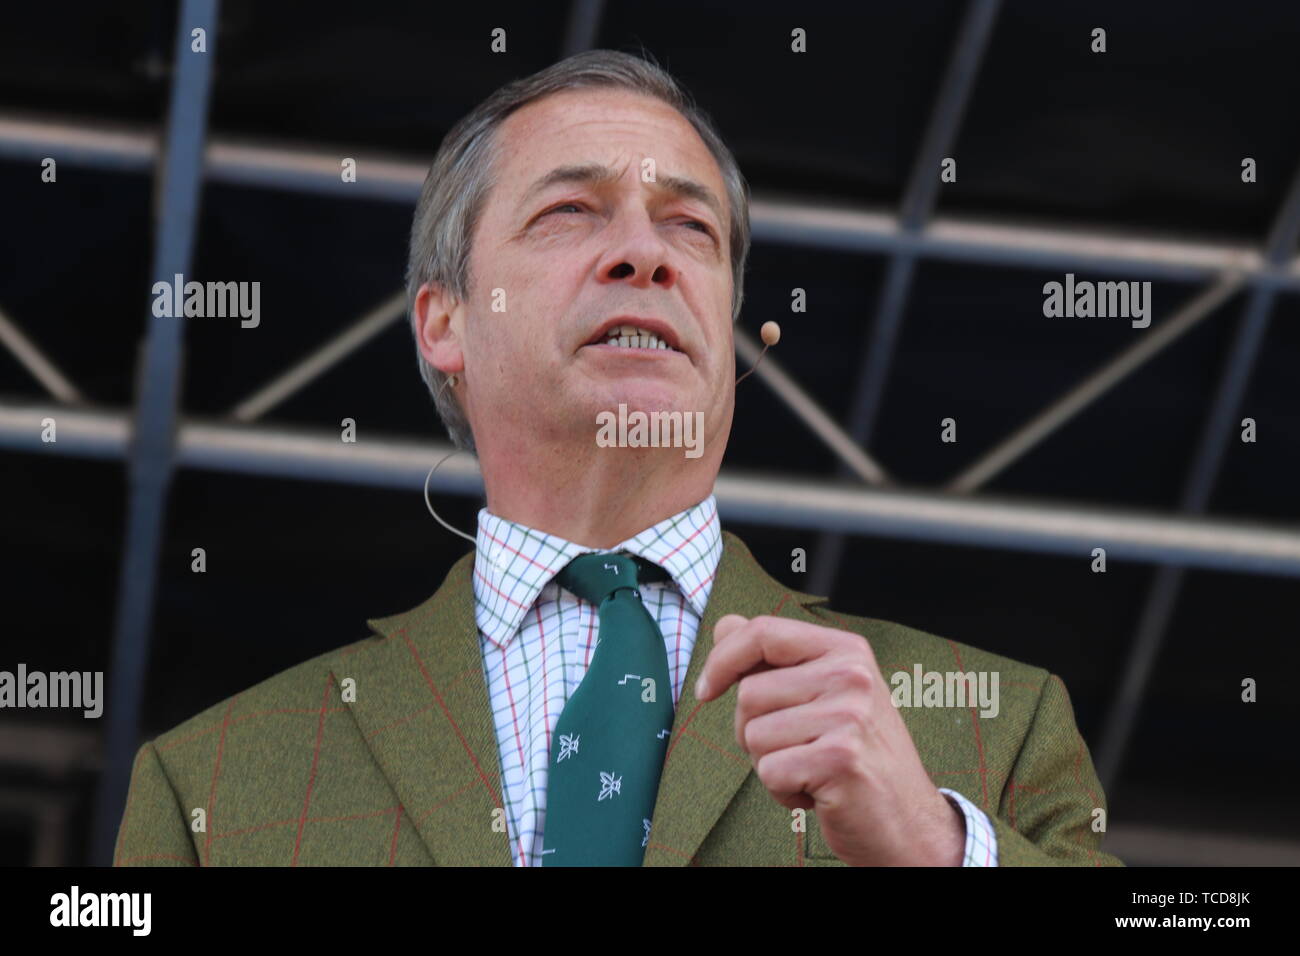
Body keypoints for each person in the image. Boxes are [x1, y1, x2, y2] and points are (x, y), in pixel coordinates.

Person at [114, 49, 1121, 867]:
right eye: (569, 213)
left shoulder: (997, 723)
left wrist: (937, 853)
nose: (644, 253)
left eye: (689, 225)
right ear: (445, 322)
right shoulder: (210, 782)